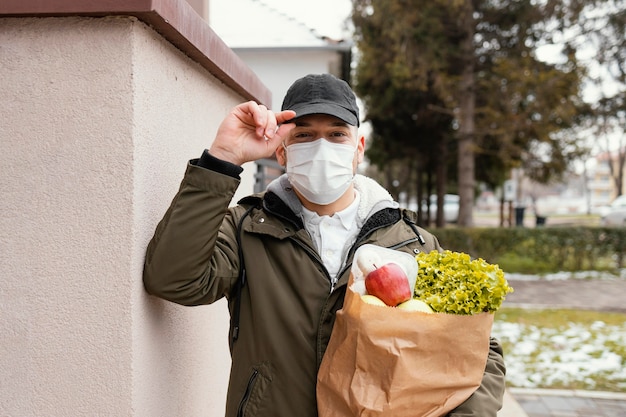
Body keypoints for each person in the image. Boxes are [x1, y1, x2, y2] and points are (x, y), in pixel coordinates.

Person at [143, 73, 506, 416]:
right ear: (281, 152)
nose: (321, 147)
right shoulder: (246, 229)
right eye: (303, 136)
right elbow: (173, 278)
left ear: (358, 148)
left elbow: (478, 351)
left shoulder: (410, 243)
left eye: (336, 134)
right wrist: (223, 159)